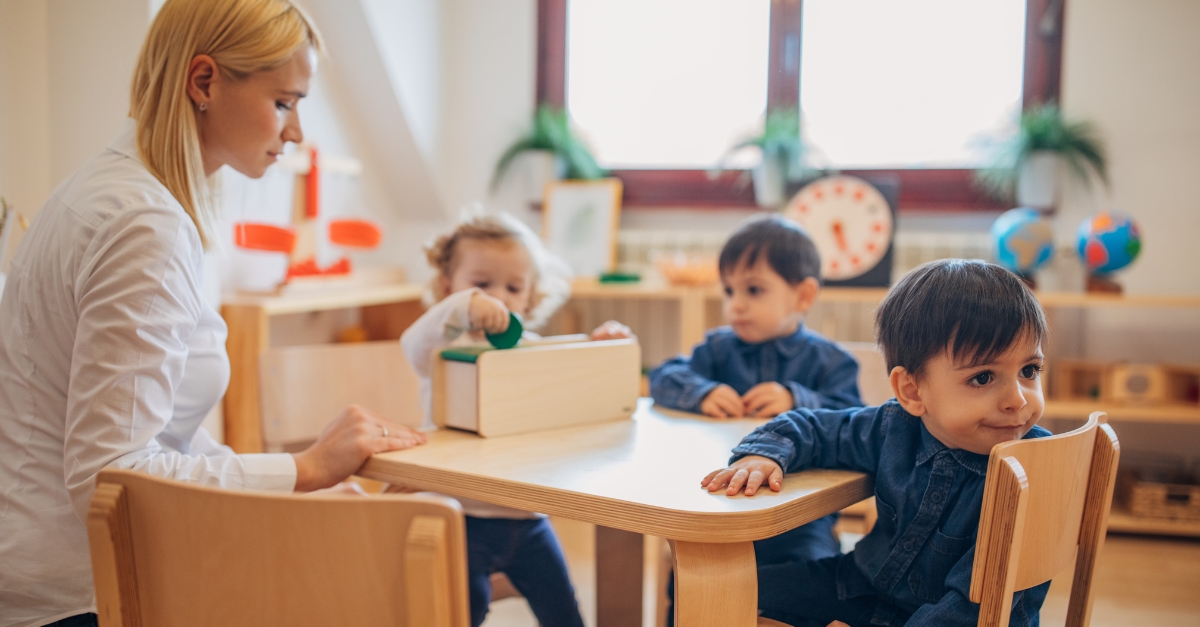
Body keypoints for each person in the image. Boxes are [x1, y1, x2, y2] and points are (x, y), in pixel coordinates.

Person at [0, 2, 426, 626]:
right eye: (283, 103)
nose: (297, 133)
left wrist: (279, 489)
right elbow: (111, 476)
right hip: (71, 599)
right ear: (204, 82)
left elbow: (154, 427)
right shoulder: (144, 224)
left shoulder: (118, 192)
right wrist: (302, 468)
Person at [701, 259, 1053, 627]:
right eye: (983, 377)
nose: (1018, 399)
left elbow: (973, 610)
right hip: (863, 589)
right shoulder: (894, 426)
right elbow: (815, 428)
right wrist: (765, 453)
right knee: (729, 589)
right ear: (912, 391)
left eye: (1029, 371)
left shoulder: (1030, 471)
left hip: (944, 617)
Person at [400, 210, 630, 627]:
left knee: (563, 611)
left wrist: (602, 345)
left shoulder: (529, 349)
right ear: (447, 286)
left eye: (513, 287)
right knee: (460, 613)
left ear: (530, 297)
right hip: (458, 515)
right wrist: (465, 306)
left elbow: (574, 384)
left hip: (528, 517)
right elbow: (413, 339)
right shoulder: (441, 345)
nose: (499, 297)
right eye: (481, 283)